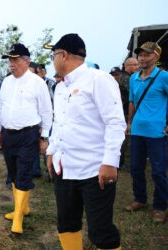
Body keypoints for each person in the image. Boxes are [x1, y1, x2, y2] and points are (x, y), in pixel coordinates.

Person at [45, 33, 125, 249]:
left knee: (101, 231)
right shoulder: (60, 87)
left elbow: (115, 122)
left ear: (64, 56)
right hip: (65, 168)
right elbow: (58, 122)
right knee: (67, 223)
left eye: (53, 56)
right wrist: (51, 151)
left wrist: (110, 161)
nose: (52, 60)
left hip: (94, 170)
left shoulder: (98, 79)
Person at [0, 43, 52, 234]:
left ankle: (17, 218)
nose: (12, 64)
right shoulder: (6, 82)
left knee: (23, 174)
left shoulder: (37, 82)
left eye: (16, 59)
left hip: (28, 134)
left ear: (27, 61)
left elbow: (46, 111)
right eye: (10, 60)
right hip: (9, 135)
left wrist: (44, 137)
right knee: (13, 172)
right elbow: (1, 108)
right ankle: (22, 208)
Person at [124, 42, 168, 224]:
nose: (142, 58)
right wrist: (129, 122)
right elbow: (132, 101)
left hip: (157, 132)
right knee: (136, 168)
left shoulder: (164, 76)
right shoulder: (134, 78)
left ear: (156, 57)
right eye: (140, 55)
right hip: (137, 131)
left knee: (158, 171)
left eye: (146, 55)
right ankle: (140, 199)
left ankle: (161, 207)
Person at [118, 57, 140, 170]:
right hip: (125, 112)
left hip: (126, 111)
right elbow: (135, 93)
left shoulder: (128, 77)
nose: (138, 67)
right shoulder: (126, 78)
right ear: (128, 66)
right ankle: (120, 163)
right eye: (135, 65)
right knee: (124, 138)